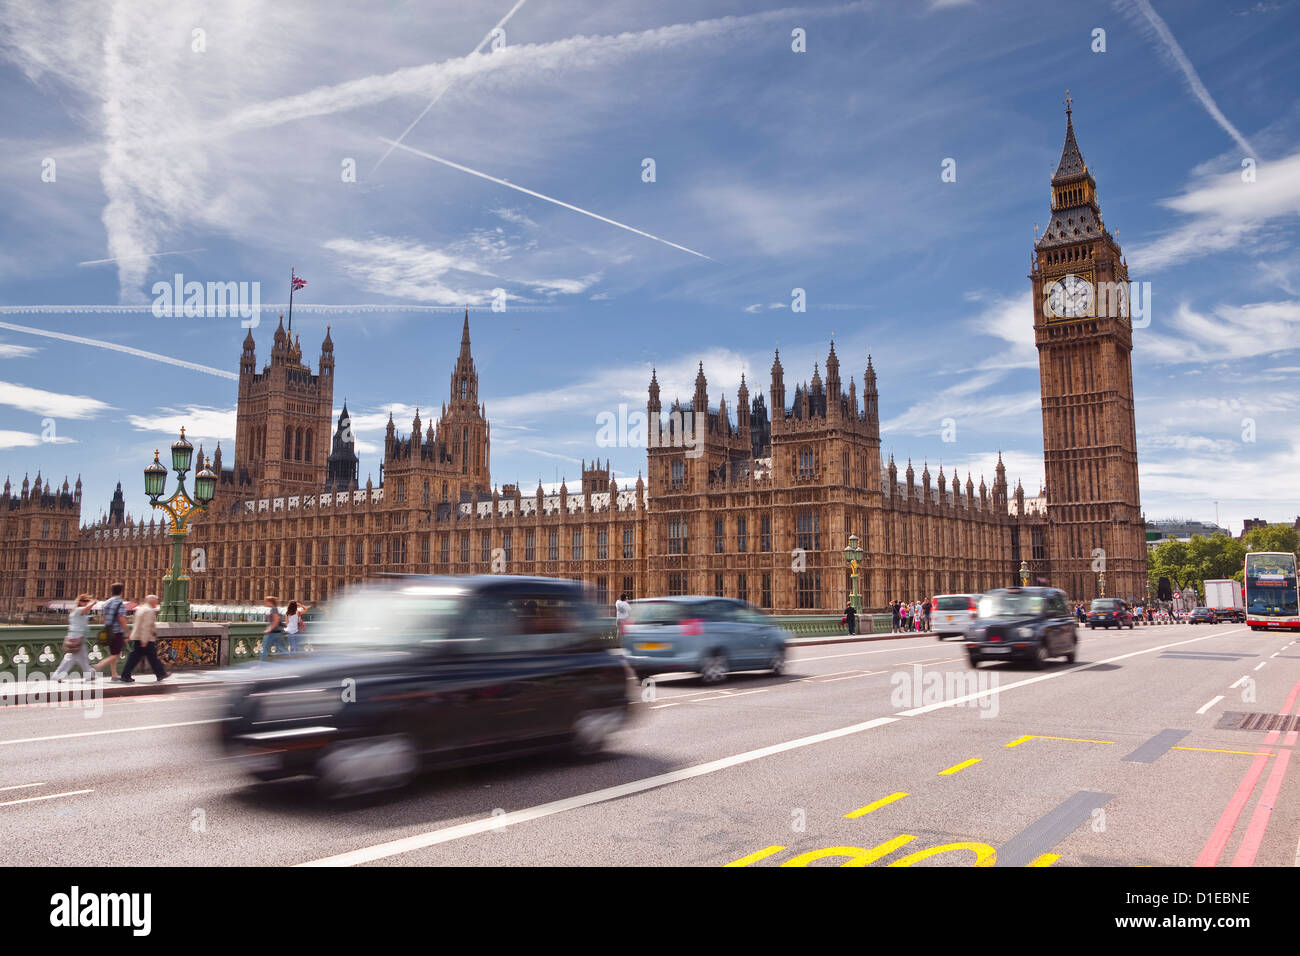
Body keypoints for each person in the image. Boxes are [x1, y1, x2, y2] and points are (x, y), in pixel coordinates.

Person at [119, 594, 168, 683]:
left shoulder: (140, 608)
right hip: (145, 638)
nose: (157, 603)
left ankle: (160, 673)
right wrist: (144, 640)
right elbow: (146, 626)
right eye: (156, 601)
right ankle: (161, 673)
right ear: (152, 602)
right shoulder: (149, 611)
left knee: (137, 657)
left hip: (138, 636)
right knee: (150, 657)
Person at [53, 593, 96, 682]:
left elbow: (83, 618)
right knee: (71, 657)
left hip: (79, 636)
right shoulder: (78, 610)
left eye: (87, 601)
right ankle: (58, 674)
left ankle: (89, 674)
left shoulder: (78, 611)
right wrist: (93, 603)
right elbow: (85, 609)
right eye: (84, 601)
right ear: (79, 601)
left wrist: (89, 618)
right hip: (76, 637)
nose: (86, 602)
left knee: (82, 657)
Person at [94, 582, 128, 680]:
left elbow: (104, 618)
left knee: (113, 653)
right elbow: (122, 619)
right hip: (117, 631)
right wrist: (128, 632)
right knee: (116, 655)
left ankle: (114, 674)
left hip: (108, 631)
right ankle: (98, 666)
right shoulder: (120, 603)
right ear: (121, 591)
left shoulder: (106, 602)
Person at [260, 596, 286, 661]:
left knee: (264, 648)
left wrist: (269, 629)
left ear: (270, 602)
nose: (265, 603)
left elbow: (276, 620)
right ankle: (292, 661)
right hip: (277, 632)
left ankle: (260, 665)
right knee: (281, 649)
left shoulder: (273, 609)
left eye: (266, 601)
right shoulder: (276, 609)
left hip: (273, 633)